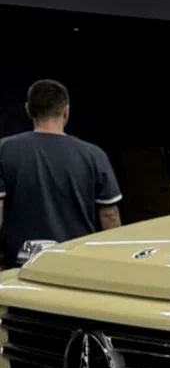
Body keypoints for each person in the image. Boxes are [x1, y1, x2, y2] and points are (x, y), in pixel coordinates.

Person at [0, 80, 122, 267]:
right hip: (76, 265)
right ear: (66, 111)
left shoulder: (4, 150)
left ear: (28, 110)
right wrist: (114, 262)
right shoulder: (94, 155)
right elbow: (109, 215)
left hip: (21, 267)